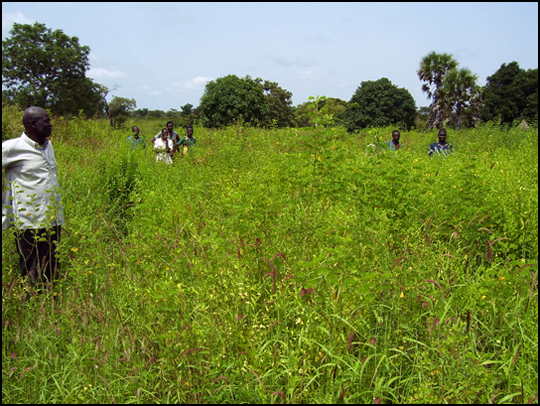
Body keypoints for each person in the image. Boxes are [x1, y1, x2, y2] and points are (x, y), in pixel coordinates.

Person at [2, 106, 64, 288]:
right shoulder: (13, 147)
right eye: (46, 122)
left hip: (53, 219)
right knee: (31, 268)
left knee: (51, 267)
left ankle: (51, 305)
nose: (51, 125)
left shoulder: (47, 146)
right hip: (29, 221)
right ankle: (30, 302)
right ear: (32, 124)